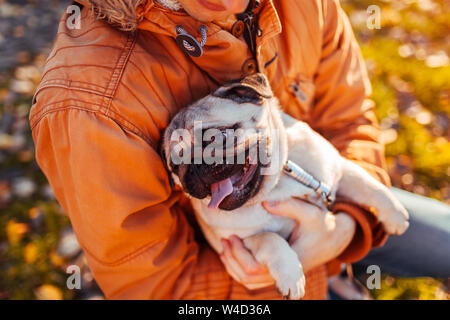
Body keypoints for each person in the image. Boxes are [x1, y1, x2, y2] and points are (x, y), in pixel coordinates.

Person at [29, 0, 449, 300]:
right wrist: (303, 273)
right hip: (240, 285)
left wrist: (349, 227)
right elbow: (158, 288)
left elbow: (350, 120)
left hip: (337, 208)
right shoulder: (87, 102)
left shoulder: (306, 6)